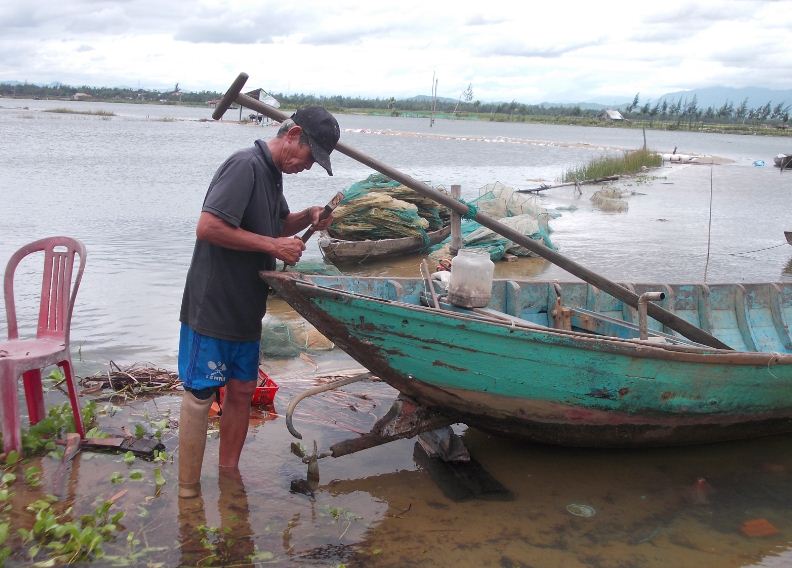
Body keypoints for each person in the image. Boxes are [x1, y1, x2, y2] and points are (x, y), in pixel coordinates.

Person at [177, 106, 341, 499]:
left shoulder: (272, 174)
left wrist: (308, 215)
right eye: (309, 157)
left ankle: (229, 476)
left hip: (247, 308)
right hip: (212, 306)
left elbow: (276, 224)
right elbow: (209, 227)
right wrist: (272, 246)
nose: (307, 167)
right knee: (201, 396)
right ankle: (187, 494)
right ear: (293, 134)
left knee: (240, 392)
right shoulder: (244, 165)